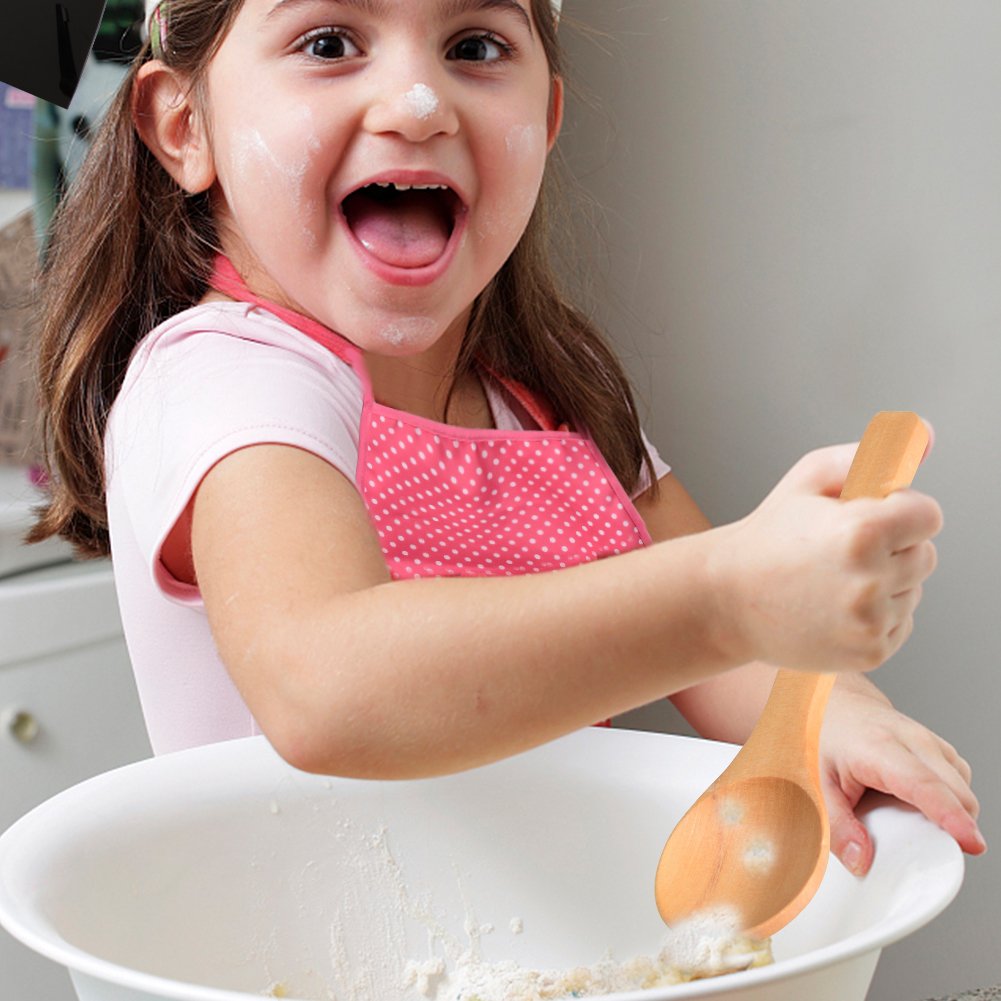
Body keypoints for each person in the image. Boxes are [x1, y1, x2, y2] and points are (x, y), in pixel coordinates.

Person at [28, 0, 983, 882]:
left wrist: (830, 711)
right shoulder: (224, 374)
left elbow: (733, 655)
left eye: (475, 47)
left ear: (548, 124)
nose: (416, 103)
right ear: (182, 125)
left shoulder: (544, 387)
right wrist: (729, 595)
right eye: (329, 44)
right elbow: (329, 686)